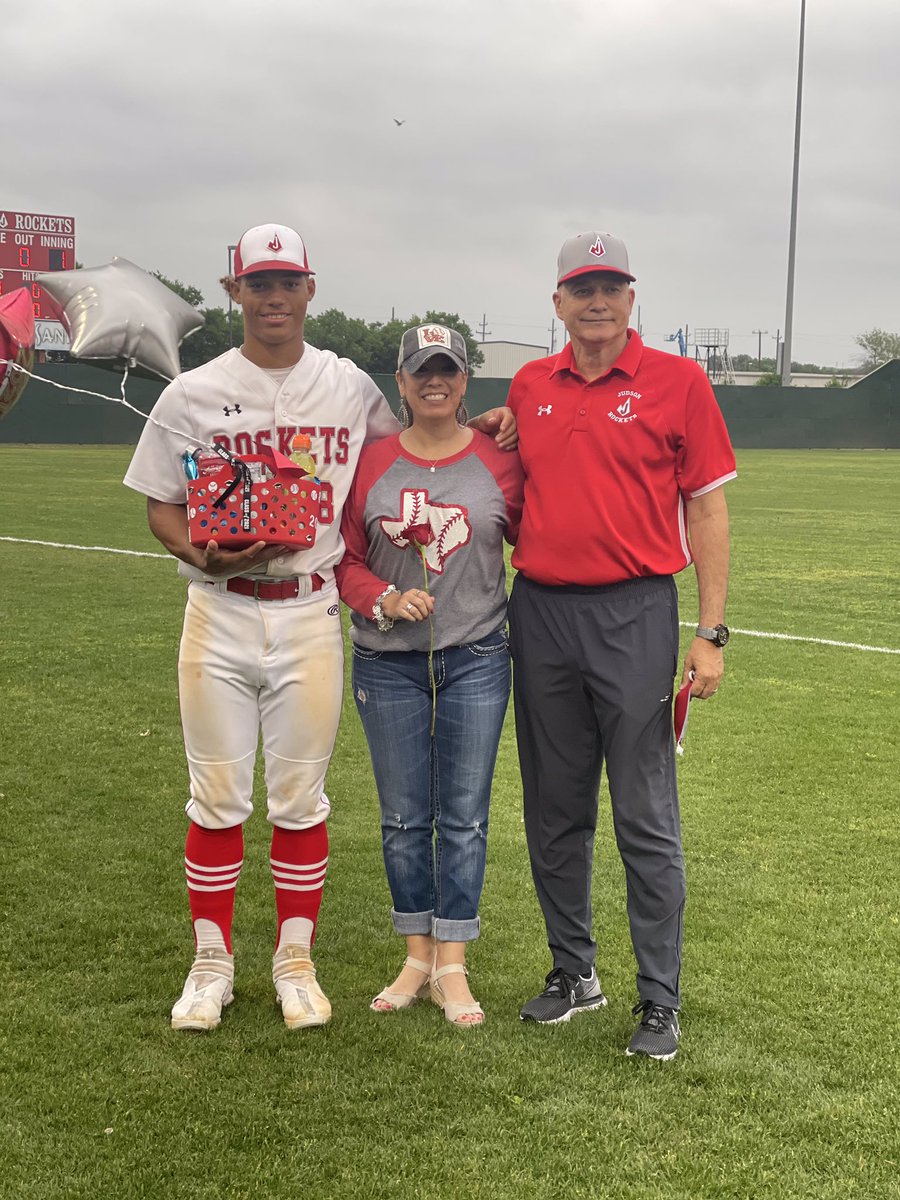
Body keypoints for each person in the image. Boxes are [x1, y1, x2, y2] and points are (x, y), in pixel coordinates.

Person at [123, 225, 514, 1033]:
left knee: (300, 800)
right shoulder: (191, 392)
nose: (273, 297)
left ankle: (294, 963)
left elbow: (413, 445)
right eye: (258, 282)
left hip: (310, 610)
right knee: (217, 797)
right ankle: (210, 965)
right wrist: (200, 551)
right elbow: (162, 505)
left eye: (286, 281)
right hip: (219, 610)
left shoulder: (347, 385)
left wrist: (484, 423)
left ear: (310, 289)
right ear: (234, 291)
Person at [508, 231, 736, 1059]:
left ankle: (659, 1000)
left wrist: (709, 632)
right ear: (559, 302)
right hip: (540, 613)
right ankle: (574, 972)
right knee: (554, 807)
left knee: (644, 813)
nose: (597, 301)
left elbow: (706, 508)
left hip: (634, 613)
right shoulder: (530, 385)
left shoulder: (680, 381)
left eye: (612, 287)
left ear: (632, 298)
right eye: (582, 288)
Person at [335, 324, 524, 1027]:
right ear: (402, 382)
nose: (435, 381)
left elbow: (537, 535)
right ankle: (417, 955)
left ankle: (453, 963)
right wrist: (383, 599)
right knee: (403, 816)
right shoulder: (372, 462)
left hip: (476, 656)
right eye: (422, 371)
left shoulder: (500, 459)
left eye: (447, 369)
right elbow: (345, 557)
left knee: (465, 815)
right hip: (388, 662)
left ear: (465, 380)